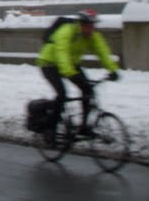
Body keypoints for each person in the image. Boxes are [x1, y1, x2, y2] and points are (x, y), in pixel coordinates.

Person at [37, 9, 121, 138]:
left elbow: (102, 52)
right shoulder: (66, 31)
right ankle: (50, 128)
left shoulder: (92, 35)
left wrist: (113, 69)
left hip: (70, 64)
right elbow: (61, 53)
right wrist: (70, 73)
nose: (91, 29)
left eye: (93, 25)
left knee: (88, 90)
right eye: (88, 25)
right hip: (49, 64)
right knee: (62, 95)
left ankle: (83, 127)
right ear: (80, 24)